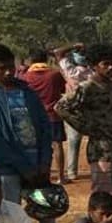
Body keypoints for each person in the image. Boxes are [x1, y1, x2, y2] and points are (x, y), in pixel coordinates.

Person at [0, 45, 61, 223]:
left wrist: (44, 163)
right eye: (2, 68)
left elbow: (44, 127)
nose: (8, 72)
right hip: (9, 168)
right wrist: (22, 167)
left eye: (11, 67)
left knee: (45, 208)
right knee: (10, 212)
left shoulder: (27, 91)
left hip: (38, 164)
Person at [54, 44, 112, 194]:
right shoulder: (87, 87)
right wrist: (87, 127)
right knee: (104, 195)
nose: (111, 67)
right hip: (102, 152)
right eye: (106, 64)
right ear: (93, 65)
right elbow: (61, 107)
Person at [20, 49, 69, 185]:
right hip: (53, 114)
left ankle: (35, 174)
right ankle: (61, 176)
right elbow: (62, 90)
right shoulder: (54, 74)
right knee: (57, 144)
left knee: (33, 146)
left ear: (31, 60)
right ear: (46, 60)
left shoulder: (25, 77)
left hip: (31, 116)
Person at [54, 43, 92, 183]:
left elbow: (58, 52)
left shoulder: (70, 70)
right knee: (93, 140)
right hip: (89, 110)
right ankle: (96, 168)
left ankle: (72, 172)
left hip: (74, 111)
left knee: (73, 141)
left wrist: (74, 45)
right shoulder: (92, 72)